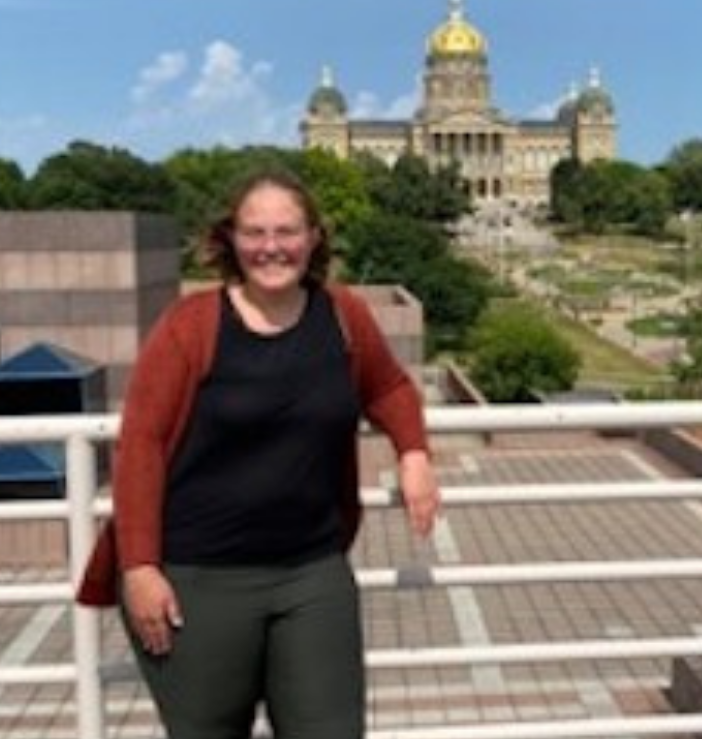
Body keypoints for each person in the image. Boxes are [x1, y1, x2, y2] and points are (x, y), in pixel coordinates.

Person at [76, 169, 440, 739]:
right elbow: (140, 445)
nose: (272, 247)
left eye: (287, 231)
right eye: (255, 232)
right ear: (231, 239)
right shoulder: (189, 326)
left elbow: (388, 388)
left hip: (312, 572)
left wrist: (413, 451)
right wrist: (141, 567)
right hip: (198, 579)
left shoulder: (343, 316)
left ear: (314, 237)